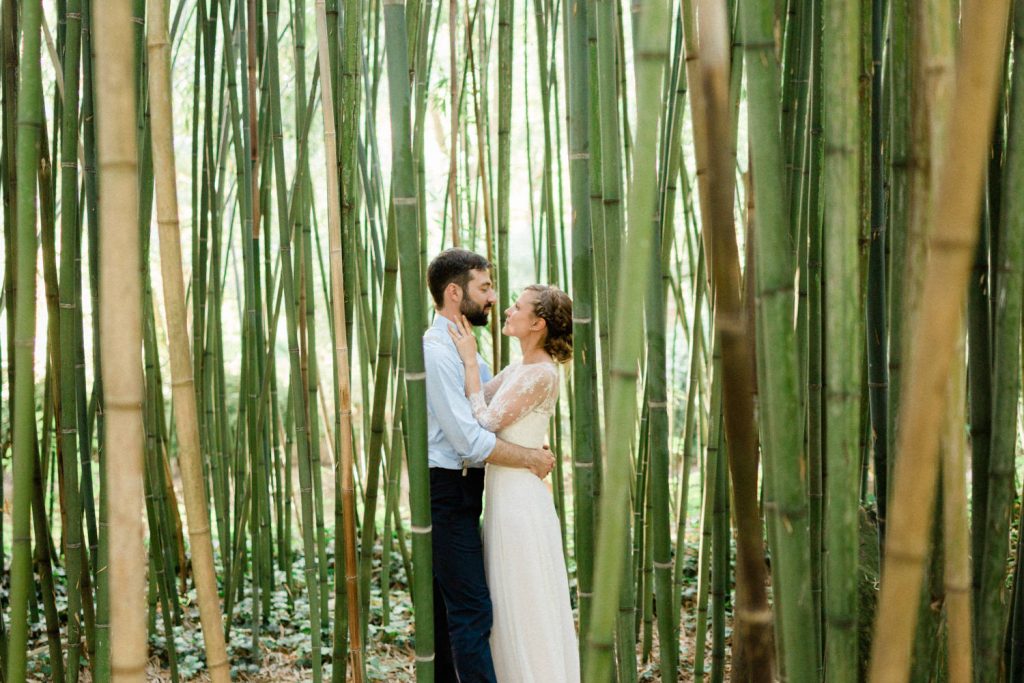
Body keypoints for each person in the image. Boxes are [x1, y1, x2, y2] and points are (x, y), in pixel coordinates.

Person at [423, 248, 556, 683]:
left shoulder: (467, 349)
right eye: (485, 288)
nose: (494, 297)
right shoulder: (437, 352)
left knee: (451, 605)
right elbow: (469, 438)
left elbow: (494, 411)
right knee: (472, 607)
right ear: (454, 292)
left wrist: (529, 444)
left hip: (471, 489)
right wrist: (530, 458)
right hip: (445, 487)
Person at [448, 284, 580, 683]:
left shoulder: (540, 373)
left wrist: (471, 363)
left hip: (521, 504)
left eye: (517, 307)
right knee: (508, 605)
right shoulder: (520, 368)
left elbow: (483, 422)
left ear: (537, 323)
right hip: (505, 499)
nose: (507, 310)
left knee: (526, 603)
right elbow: (476, 401)